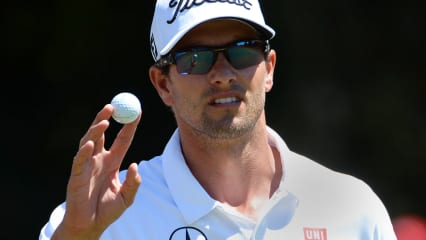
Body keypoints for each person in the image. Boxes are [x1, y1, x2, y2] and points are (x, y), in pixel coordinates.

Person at [39, 0, 397, 239]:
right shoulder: (105, 218)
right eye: (196, 58)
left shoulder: (350, 207)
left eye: (242, 51)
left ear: (268, 69)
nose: (223, 74)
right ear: (163, 84)